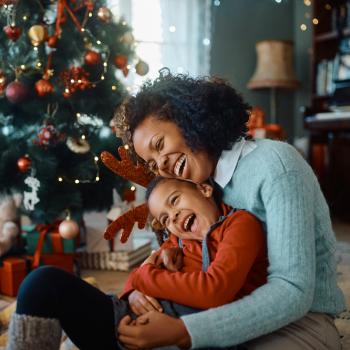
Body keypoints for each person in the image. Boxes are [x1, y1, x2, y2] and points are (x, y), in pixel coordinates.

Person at [115, 71, 345, 350]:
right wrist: (137, 290)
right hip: (222, 309)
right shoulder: (199, 183)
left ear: (187, 119)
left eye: (160, 146)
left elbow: (293, 291)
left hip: (300, 322)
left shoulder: (277, 166)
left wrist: (185, 331)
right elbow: (171, 255)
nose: (161, 167)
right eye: (152, 163)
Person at [5, 176, 267, 350]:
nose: (173, 217)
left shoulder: (239, 225)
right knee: (42, 282)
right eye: (165, 220)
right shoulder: (177, 239)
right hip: (125, 323)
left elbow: (215, 290)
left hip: (182, 336)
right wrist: (133, 292)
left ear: (205, 188)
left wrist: (144, 277)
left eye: (175, 200)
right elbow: (137, 277)